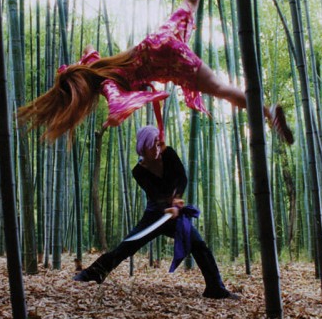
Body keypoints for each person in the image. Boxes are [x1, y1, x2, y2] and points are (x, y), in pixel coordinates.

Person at [17, 0, 294, 146]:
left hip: (169, 63)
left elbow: (116, 100)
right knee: (189, 2)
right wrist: (81, 66)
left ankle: (268, 112)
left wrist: (115, 115)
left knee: (220, 89)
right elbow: (90, 49)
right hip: (157, 41)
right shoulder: (96, 66)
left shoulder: (105, 83)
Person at [73, 125, 240, 300]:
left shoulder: (169, 154)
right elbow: (154, 194)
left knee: (198, 244)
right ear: (143, 147)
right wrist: (166, 206)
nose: (157, 148)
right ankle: (91, 274)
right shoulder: (138, 171)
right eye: (153, 145)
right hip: (154, 216)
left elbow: (182, 177)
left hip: (175, 215)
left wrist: (177, 197)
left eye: (158, 143)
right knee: (127, 246)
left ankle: (215, 288)